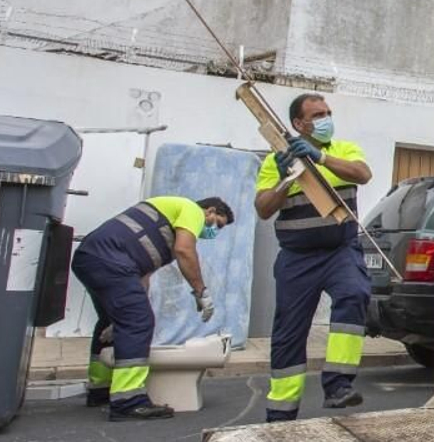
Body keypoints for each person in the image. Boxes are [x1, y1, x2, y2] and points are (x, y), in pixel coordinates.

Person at [254, 93, 373, 422]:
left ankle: (338, 386)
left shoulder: (343, 150)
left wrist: (319, 157)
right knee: (289, 332)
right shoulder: (276, 159)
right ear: (298, 124)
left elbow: (362, 174)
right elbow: (263, 209)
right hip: (296, 258)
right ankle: (280, 413)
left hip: (341, 250)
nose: (326, 118)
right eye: (318, 114)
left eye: (328, 112)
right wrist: (283, 181)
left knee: (355, 294)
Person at [73, 195, 234, 420]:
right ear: (210, 210)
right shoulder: (192, 210)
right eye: (217, 223)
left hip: (92, 257)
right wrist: (201, 293)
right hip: (111, 259)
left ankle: (100, 388)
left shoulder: (165, 229)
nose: (214, 230)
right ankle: (128, 401)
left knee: (114, 322)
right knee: (137, 322)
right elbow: (185, 251)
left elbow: (142, 279)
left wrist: (132, 311)